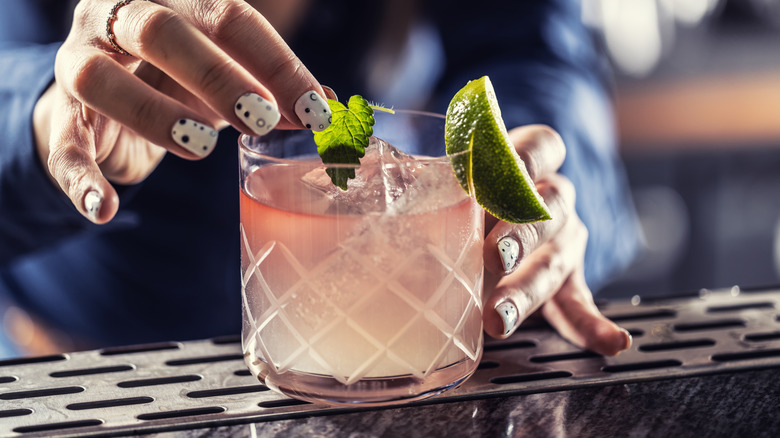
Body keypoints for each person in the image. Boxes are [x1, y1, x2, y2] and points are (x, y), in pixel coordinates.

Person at [0, 0, 640, 359]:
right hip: (74, 371)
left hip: (373, 375)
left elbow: (529, 51)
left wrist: (522, 189)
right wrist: (52, 118)